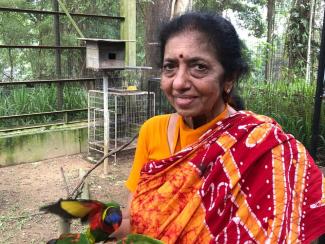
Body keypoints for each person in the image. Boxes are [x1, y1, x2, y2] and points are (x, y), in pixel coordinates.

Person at [114, 12, 325, 243]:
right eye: (170, 67)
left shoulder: (263, 146)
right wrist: (93, 226)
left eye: (199, 67)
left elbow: (293, 224)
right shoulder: (152, 131)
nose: (179, 82)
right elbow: (137, 219)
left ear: (229, 79)